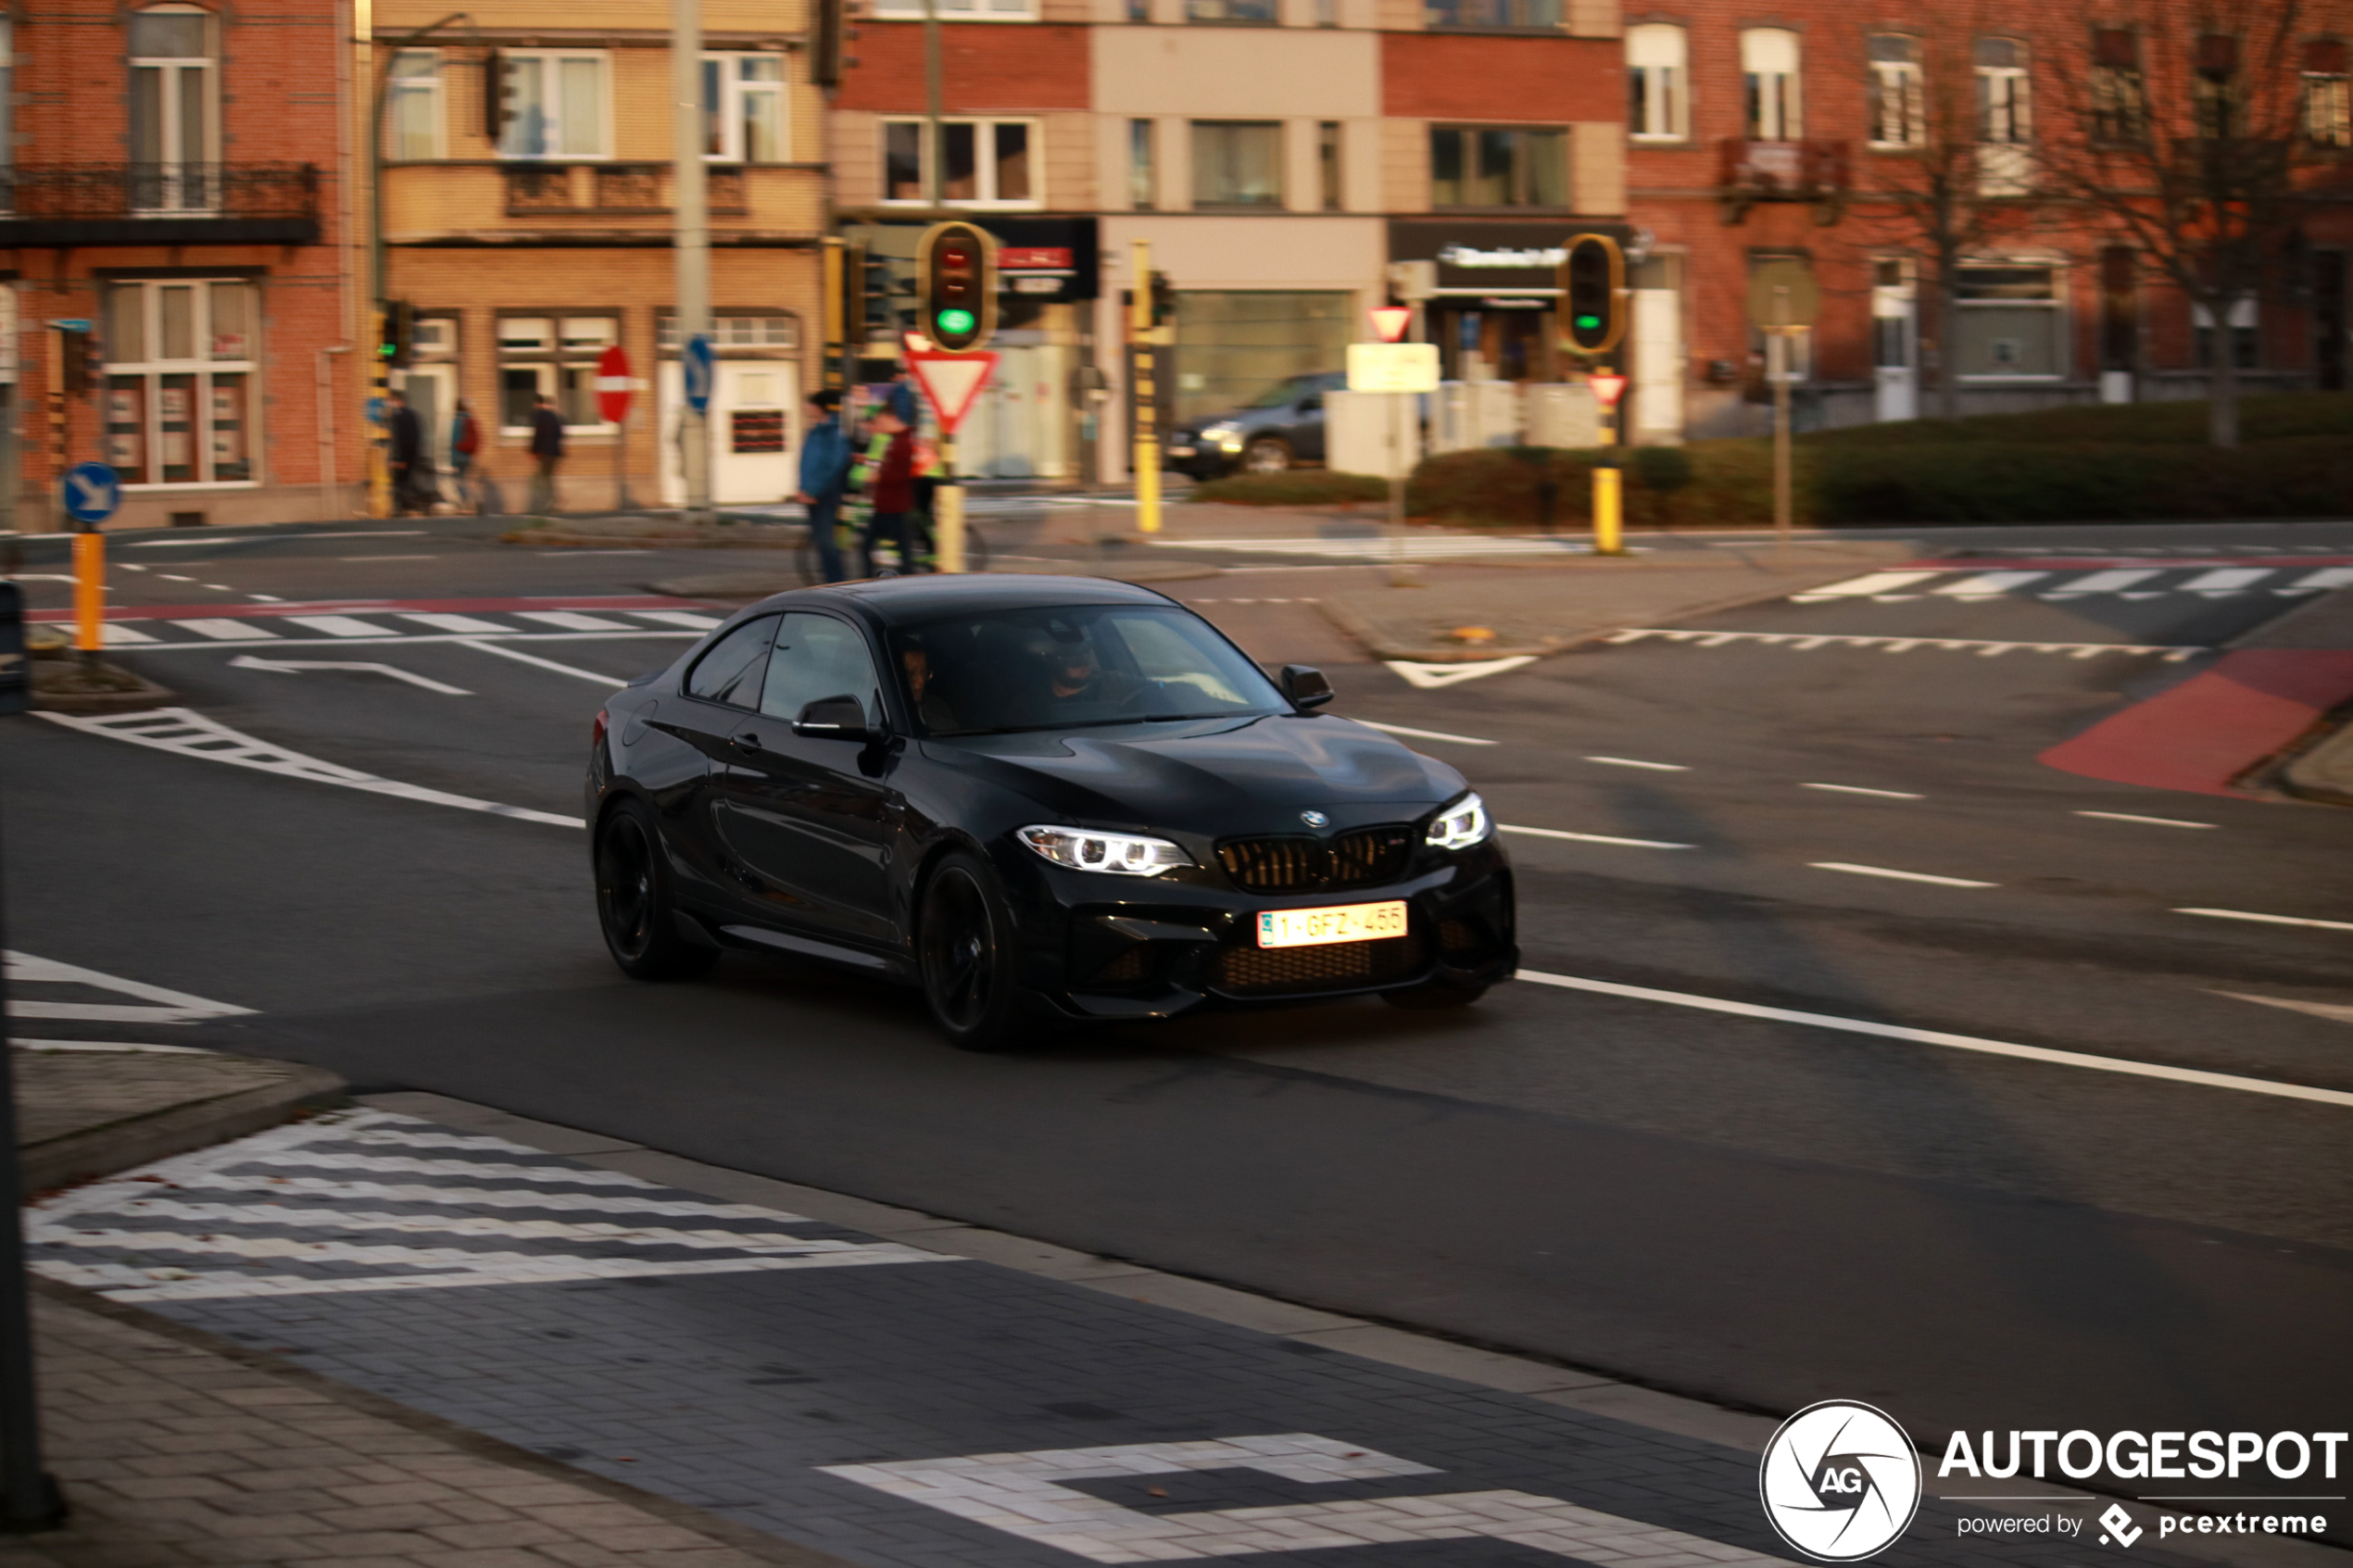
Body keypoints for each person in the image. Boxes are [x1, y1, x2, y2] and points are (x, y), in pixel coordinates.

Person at [793, 389, 852, 583]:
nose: (807, 407)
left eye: (811, 404)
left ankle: (835, 581)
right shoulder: (816, 430)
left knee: (826, 541)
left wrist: (812, 490)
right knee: (822, 541)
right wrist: (803, 488)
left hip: (825, 493)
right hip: (811, 493)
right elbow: (808, 463)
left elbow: (832, 464)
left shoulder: (834, 432)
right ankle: (831, 579)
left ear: (820, 407)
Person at [863, 408, 915, 577]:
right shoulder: (897, 441)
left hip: (894, 505)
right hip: (888, 504)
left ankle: (869, 581)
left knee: (869, 546)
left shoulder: (902, 443)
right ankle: (906, 578)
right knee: (901, 549)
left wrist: (879, 477)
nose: (879, 427)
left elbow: (901, 474)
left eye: (881, 422)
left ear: (891, 418)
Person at [386, 389, 431, 515]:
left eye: (390, 400)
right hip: (412, 454)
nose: (389, 403)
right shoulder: (413, 414)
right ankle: (407, 506)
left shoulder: (398, 416)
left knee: (400, 481)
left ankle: (409, 505)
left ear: (396, 400)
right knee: (405, 481)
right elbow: (417, 435)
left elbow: (399, 439)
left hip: (404, 455)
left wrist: (399, 459)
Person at [528, 393, 564, 517]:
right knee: (548, 477)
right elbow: (560, 434)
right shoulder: (555, 417)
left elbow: (538, 435)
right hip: (554, 451)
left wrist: (533, 451)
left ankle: (548, 503)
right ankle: (553, 502)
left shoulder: (540, 416)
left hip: (545, 452)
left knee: (544, 478)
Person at [448, 399, 482, 515]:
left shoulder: (457, 421)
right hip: (468, 455)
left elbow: (454, 441)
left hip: (458, 455)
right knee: (465, 480)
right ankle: (474, 502)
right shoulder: (470, 419)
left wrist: (452, 461)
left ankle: (466, 504)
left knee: (458, 480)